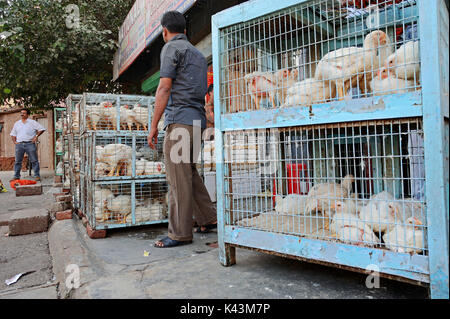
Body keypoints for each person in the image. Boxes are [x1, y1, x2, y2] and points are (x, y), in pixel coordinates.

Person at [148, 11, 217, 248]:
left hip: (180, 122)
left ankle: (179, 233)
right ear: (186, 31)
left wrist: (154, 125)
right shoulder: (198, 54)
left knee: (178, 177)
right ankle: (208, 218)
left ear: (164, 31)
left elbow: (164, 88)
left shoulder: (170, 48)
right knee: (189, 172)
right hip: (198, 122)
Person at [10, 108, 46, 182]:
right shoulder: (17, 123)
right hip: (19, 144)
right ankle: (16, 176)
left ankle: (37, 175)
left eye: (24, 113)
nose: (22, 114)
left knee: (34, 160)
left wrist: (35, 137)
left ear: (28, 114)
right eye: (21, 113)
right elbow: (13, 134)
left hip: (30, 144)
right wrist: (14, 142)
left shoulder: (32, 122)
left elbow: (42, 129)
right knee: (17, 161)